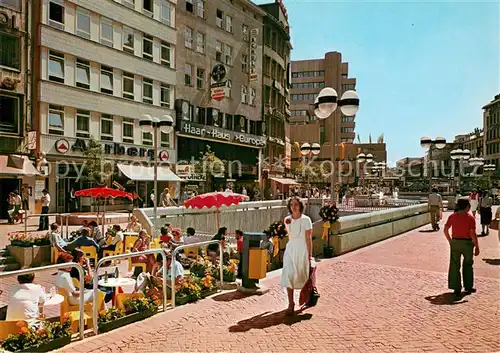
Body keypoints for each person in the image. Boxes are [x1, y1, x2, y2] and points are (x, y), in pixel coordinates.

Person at [281, 197, 313, 315]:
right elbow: (290, 235)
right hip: (291, 249)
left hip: (302, 249)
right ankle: (291, 303)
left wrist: (310, 255)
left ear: (300, 206)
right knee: (288, 274)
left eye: (296, 204)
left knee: (302, 275)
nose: (293, 207)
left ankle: (307, 297)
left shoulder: (306, 220)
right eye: (291, 205)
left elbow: (308, 239)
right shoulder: (287, 220)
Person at [444, 198, 479, 300]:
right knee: (468, 264)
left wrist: (450, 240)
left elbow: (446, 229)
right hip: (467, 243)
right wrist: (477, 246)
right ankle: (468, 287)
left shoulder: (452, 216)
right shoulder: (470, 218)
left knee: (455, 265)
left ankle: (456, 288)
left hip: (455, 242)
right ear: (467, 207)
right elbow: (472, 233)